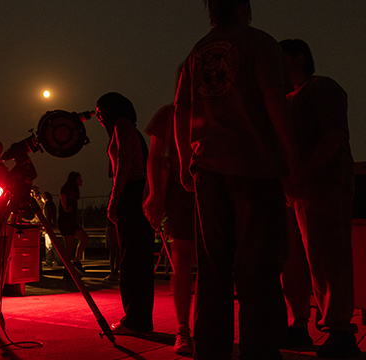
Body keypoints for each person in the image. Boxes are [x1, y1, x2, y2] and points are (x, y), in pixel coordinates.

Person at [174, 1, 301, 359]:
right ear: (245, 7)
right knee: (258, 265)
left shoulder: (196, 52)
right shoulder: (261, 43)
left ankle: (210, 350)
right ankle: (258, 350)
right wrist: (291, 155)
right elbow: (274, 97)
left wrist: (186, 163)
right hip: (254, 165)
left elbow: (182, 110)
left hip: (208, 169)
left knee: (213, 266)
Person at [279, 39, 360, 358]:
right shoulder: (284, 99)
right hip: (292, 189)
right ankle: (298, 324)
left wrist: (304, 169)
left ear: (298, 58)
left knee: (327, 258)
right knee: (293, 261)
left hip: (321, 186)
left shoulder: (321, 88)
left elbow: (334, 133)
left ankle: (339, 329)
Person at [96, 92, 156, 335]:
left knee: (132, 261)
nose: (98, 116)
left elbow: (126, 164)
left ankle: (134, 320)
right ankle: (139, 319)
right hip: (137, 196)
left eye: (100, 110)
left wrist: (114, 199)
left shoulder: (122, 125)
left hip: (131, 196)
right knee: (138, 260)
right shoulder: (128, 126)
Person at [144, 92, 196, 355]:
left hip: (211, 188)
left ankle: (197, 327)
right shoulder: (170, 112)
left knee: (211, 262)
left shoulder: (213, 109)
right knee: (183, 259)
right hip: (183, 192)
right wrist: (155, 195)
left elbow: (155, 157)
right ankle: (183, 327)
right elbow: (155, 157)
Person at [57, 171, 89, 275]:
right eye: (80, 179)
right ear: (75, 180)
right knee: (69, 247)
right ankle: (68, 270)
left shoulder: (71, 191)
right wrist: (65, 207)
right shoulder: (66, 190)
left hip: (71, 222)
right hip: (66, 222)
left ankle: (76, 262)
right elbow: (63, 199)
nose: (81, 181)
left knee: (84, 238)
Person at [41, 191, 58, 266]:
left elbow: (47, 215)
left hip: (48, 226)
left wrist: (45, 224)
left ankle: (50, 261)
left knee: (49, 245)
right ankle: (57, 260)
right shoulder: (52, 204)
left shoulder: (47, 204)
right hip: (53, 226)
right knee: (52, 244)